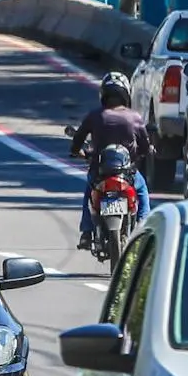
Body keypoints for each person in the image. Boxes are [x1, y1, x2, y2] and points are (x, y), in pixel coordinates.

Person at [70, 72, 152, 247]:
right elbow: (145, 146)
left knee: (89, 191)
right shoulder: (134, 117)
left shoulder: (95, 115)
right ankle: (145, 228)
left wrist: (76, 151)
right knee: (142, 190)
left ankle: (86, 231)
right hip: (127, 173)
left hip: (99, 172)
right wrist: (144, 152)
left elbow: (78, 138)